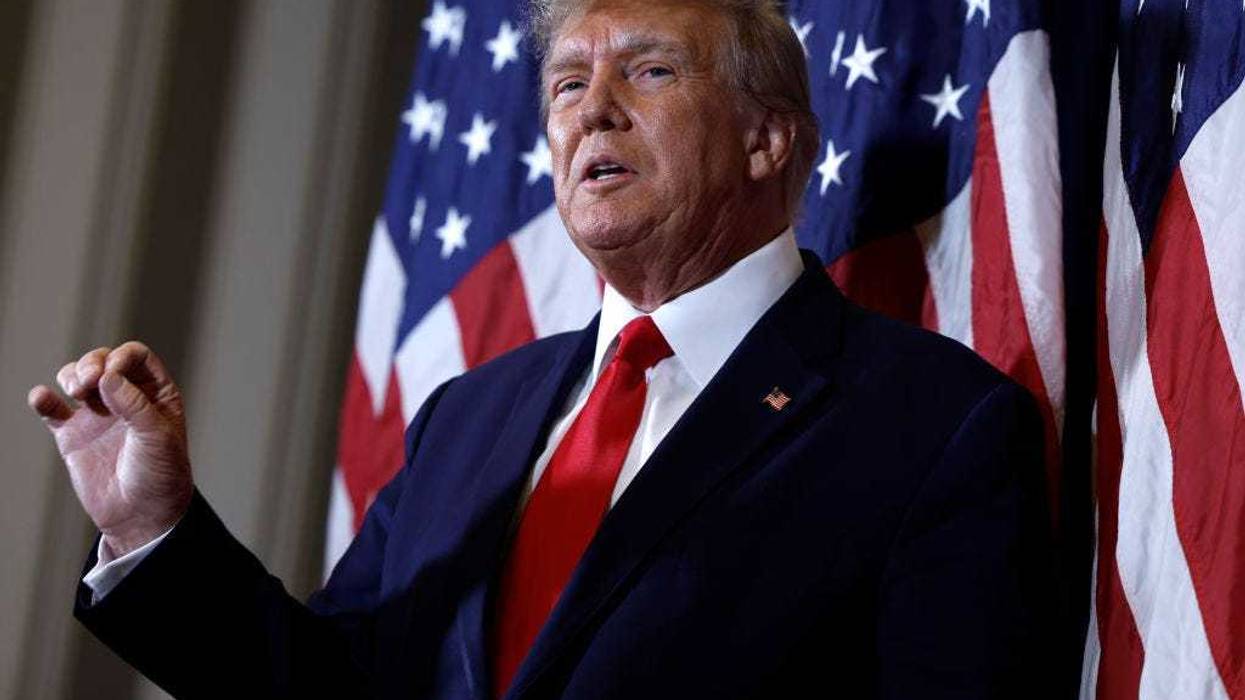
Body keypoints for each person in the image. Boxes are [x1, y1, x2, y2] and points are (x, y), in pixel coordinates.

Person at [28, 0, 1056, 697]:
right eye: (566, 85)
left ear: (766, 138)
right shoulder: (470, 415)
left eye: (648, 70)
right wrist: (156, 525)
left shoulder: (930, 424)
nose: (592, 109)